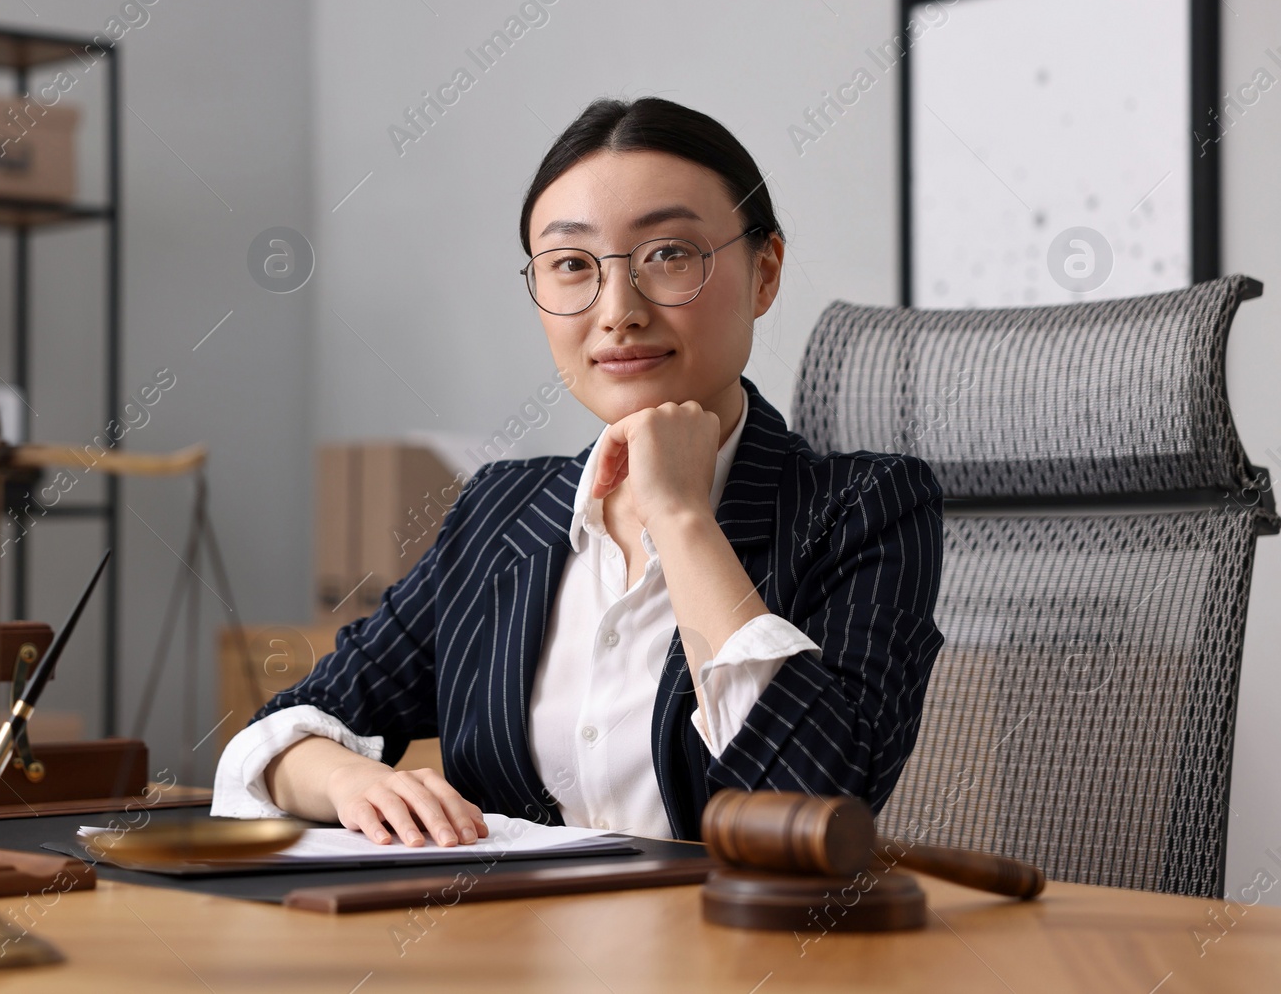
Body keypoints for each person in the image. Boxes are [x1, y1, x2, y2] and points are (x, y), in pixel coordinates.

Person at [212, 96, 946, 847]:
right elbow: (282, 736)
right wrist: (354, 780)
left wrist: (681, 516)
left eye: (668, 253)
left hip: (734, 955)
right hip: (500, 951)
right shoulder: (503, 510)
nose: (617, 310)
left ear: (764, 272)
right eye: (571, 265)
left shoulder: (866, 505)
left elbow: (817, 792)